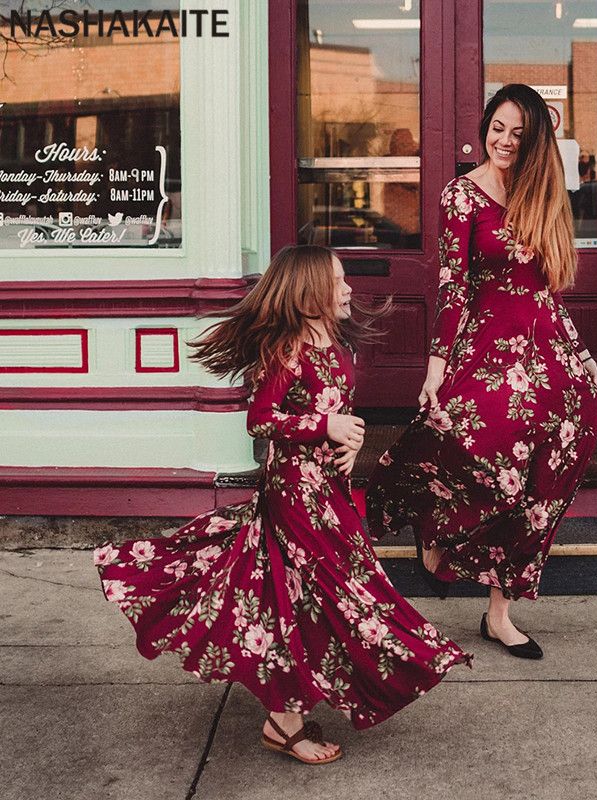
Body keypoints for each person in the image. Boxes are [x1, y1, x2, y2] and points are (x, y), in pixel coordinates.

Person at [94, 245, 470, 765]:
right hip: (295, 494)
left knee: (306, 595)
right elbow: (260, 420)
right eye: (338, 282)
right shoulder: (289, 349)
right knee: (314, 596)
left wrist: (351, 439)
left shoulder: (334, 343)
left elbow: (335, 409)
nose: (348, 290)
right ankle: (287, 718)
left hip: (328, 492)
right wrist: (324, 427)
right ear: (311, 292)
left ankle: (290, 710)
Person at [367, 84, 597, 659]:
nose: (503, 140)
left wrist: (580, 349)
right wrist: (436, 365)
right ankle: (435, 523)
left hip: (546, 347)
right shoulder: (461, 197)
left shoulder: (542, 195)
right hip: (487, 347)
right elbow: (451, 285)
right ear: (484, 129)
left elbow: (545, 287)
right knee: (480, 450)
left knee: (543, 477)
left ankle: (500, 611)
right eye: (497, 128)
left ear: (533, 142)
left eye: (517, 134)